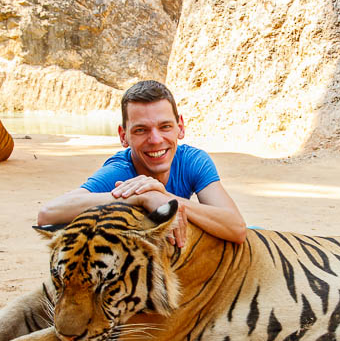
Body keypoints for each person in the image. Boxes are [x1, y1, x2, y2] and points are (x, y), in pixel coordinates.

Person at [37, 80, 246, 248]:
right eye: (140, 130)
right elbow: (48, 214)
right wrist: (139, 197)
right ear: (123, 136)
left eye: (165, 126)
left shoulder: (192, 161)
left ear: (180, 128)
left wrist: (164, 199)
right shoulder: (120, 170)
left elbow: (236, 228)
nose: (155, 140)